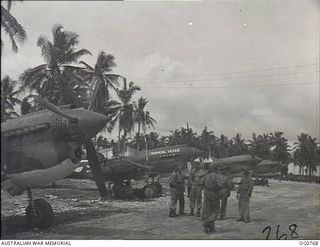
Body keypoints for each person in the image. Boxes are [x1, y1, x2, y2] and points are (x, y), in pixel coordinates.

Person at [201, 166, 223, 233]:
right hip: (214, 193)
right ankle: (207, 222)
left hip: (207, 193)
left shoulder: (206, 176)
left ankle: (211, 228)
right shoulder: (217, 176)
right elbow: (221, 185)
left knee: (208, 211)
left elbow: (201, 183)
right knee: (216, 210)